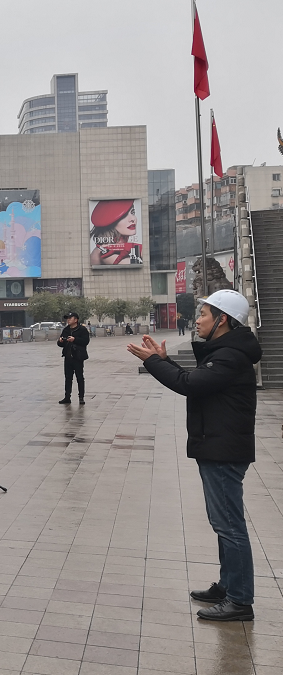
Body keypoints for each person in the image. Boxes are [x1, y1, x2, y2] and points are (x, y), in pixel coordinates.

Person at [128, 290, 260, 621]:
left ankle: (240, 600)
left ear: (223, 320)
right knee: (224, 523)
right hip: (217, 446)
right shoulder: (226, 352)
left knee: (229, 525)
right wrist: (165, 361)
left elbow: (188, 384)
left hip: (223, 449)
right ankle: (228, 586)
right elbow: (197, 382)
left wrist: (153, 362)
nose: (197, 320)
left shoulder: (230, 356)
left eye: (203, 314)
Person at [89, 200, 142, 266]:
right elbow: (135, 265)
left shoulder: (114, 247)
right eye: (123, 216)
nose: (132, 219)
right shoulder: (105, 250)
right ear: (111, 223)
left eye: (132, 212)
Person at [57, 311, 90, 405]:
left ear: (76, 320)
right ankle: (67, 397)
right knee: (68, 378)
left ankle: (81, 397)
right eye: (67, 318)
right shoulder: (66, 330)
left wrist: (74, 339)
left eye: (70, 318)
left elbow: (86, 341)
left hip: (78, 357)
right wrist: (60, 341)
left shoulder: (82, 329)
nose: (68, 320)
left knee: (79, 377)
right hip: (68, 357)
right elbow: (60, 344)